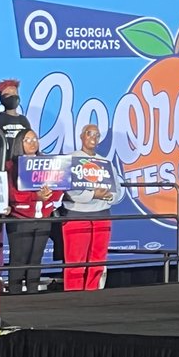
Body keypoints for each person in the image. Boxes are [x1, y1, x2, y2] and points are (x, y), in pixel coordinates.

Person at [6, 130, 63, 294]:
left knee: (36, 259)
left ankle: (33, 293)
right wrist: (35, 197)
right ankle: (14, 294)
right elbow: (12, 194)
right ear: (19, 143)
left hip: (43, 218)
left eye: (34, 139)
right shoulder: (11, 166)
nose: (32, 142)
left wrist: (48, 197)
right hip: (20, 219)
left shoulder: (47, 164)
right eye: (27, 140)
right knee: (18, 259)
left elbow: (58, 186)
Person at [61, 124, 118, 291]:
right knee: (75, 261)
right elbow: (68, 189)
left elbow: (117, 189)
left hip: (102, 215)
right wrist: (93, 195)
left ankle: (93, 294)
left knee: (98, 259)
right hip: (77, 215)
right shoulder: (70, 160)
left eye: (97, 135)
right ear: (81, 136)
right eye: (89, 133)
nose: (93, 137)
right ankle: (73, 295)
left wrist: (108, 196)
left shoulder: (105, 162)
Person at [0, 79, 33, 158]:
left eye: (15, 94)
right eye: (8, 95)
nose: (12, 97)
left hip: (21, 162)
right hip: (2, 164)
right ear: (1, 98)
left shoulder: (24, 120)